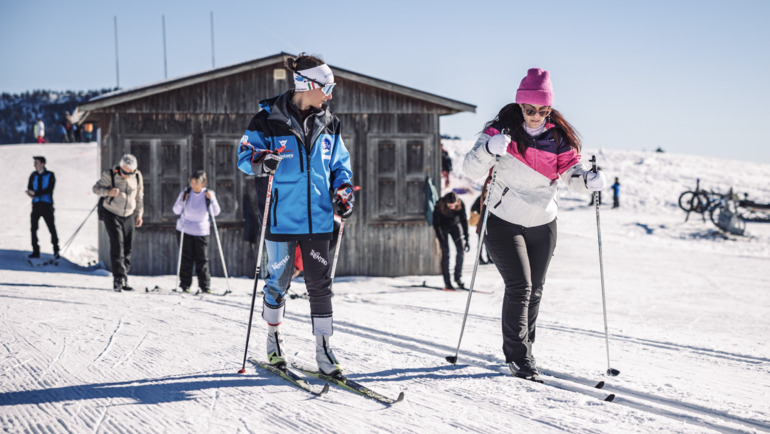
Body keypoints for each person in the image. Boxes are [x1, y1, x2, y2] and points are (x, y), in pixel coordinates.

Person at [462, 68, 607, 380]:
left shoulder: (558, 138)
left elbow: (572, 175)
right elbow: (470, 170)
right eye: (529, 110)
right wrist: (488, 149)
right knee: (520, 287)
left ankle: (526, 348)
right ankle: (519, 357)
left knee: (535, 290)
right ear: (520, 105)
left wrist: (589, 181)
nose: (536, 116)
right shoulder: (501, 133)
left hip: (543, 222)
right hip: (503, 220)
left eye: (543, 111)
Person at [236, 52, 354, 376]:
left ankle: (324, 350)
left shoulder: (330, 123)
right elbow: (244, 155)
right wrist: (262, 160)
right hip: (280, 219)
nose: (330, 95)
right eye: (327, 88)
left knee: (320, 284)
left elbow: (340, 165)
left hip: (319, 218)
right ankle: (274, 340)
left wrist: (343, 189)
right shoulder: (266, 120)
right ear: (307, 84)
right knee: (277, 282)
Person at [93, 154, 144, 292]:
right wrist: (108, 192)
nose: (127, 175)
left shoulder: (137, 176)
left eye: (130, 172)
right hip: (112, 213)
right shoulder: (110, 174)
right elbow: (95, 189)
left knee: (128, 246)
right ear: (120, 168)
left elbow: (139, 196)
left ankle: (124, 277)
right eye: (124, 172)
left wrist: (139, 214)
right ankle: (118, 279)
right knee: (117, 244)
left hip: (129, 215)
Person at [172, 170, 221, 294]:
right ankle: (185, 285)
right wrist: (182, 200)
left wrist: (212, 199)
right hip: (185, 229)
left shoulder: (208, 194)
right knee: (186, 258)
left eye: (196, 183)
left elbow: (215, 212)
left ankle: (205, 286)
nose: (193, 185)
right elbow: (176, 210)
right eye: (192, 182)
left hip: (201, 231)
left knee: (202, 259)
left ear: (203, 183)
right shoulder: (186, 193)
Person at [432, 192, 469, 290]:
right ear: (446, 203)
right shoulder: (439, 204)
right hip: (442, 228)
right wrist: (440, 237)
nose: (452, 207)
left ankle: (458, 278)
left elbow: (464, 221)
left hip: (455, 227)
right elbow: (436, 223)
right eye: (450, 205)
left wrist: (466, 238)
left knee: (461, 250)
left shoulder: (460, 204)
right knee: (446, 254)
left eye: (454, 205)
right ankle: (447, 282)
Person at [26, 156, 59, 258]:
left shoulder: (50, 175)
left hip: (46, 205)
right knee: (33, 228)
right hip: (36, 205)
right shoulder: (33, 175)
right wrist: (30, 193)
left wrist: (36, 193)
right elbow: (30, 188)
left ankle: (56, 250)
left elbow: (49, 189)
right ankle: (35, 251)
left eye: (36, 163)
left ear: (42, 164)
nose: (34, 165)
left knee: (51, 228)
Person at [470, 178, 493, 265]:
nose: (487, 193)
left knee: (488, 242)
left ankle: (488, 258)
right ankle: (480, 259)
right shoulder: (479, 199)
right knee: (481, 242)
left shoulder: (490, 199)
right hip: (480, 223)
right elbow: (473, 208)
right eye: (486, 191)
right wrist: (480, 211)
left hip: (488, 223)